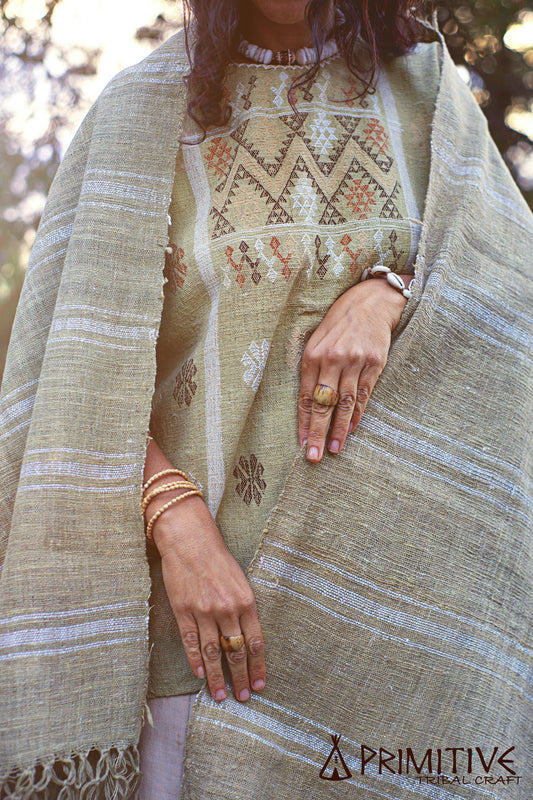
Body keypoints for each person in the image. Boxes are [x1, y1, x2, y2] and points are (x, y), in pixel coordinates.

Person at [0, 1, 531, 799]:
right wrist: (174, 521)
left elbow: (510, 292)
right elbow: (65, 380)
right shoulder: (142, 111)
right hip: (208, 635)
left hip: (404, 640)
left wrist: (392, 291)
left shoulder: (423, 89)